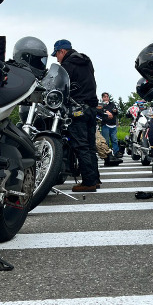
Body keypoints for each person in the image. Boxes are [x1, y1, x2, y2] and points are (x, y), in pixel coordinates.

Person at [52, 39, 100, 192]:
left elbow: (59, 86)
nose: (57, 60)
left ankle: (88, 182)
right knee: (90, 146)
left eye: (57, 55)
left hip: (77, 108)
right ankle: (95, 179)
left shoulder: (67, 65)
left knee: (80, 145)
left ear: (62, 51)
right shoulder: (86, 61)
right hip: (91, 108)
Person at [97, 92, 121, 158]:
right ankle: (107, 153)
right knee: (106, 140)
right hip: (105, 125)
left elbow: (116, 113)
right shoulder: (100, 105)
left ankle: (116, 152)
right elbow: (99, 112)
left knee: (114, 139)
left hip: (113, 125)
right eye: (105, 97)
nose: (106, 98)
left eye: (107, 96)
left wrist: (115, 111)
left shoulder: (112, 104)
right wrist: (106, 111)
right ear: (102, 98)